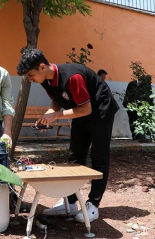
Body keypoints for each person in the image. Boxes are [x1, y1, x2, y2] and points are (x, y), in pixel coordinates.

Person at [17, 48, 119, 223]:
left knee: (99, 156)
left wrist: (56, 116)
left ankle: (93, 205)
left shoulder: (73, 77)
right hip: (81, 110)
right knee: (74, 156)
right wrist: (48, 115)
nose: (30, 79)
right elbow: (57, 100)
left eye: (31, 74)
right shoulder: (46, 80)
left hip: (100, 111)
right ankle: (70, 202)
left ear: (42, 67)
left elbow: (86, 109)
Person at [122, 75, 153, 142]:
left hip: (141, 107)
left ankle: (141, 136)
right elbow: (127, 94)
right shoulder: (132, 84)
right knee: (132, 120)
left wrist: (151, 106)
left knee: (140, 120)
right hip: (131, 106)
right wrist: (127, 104)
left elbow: (150, 96)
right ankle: (134, 135)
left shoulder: (146, 85)